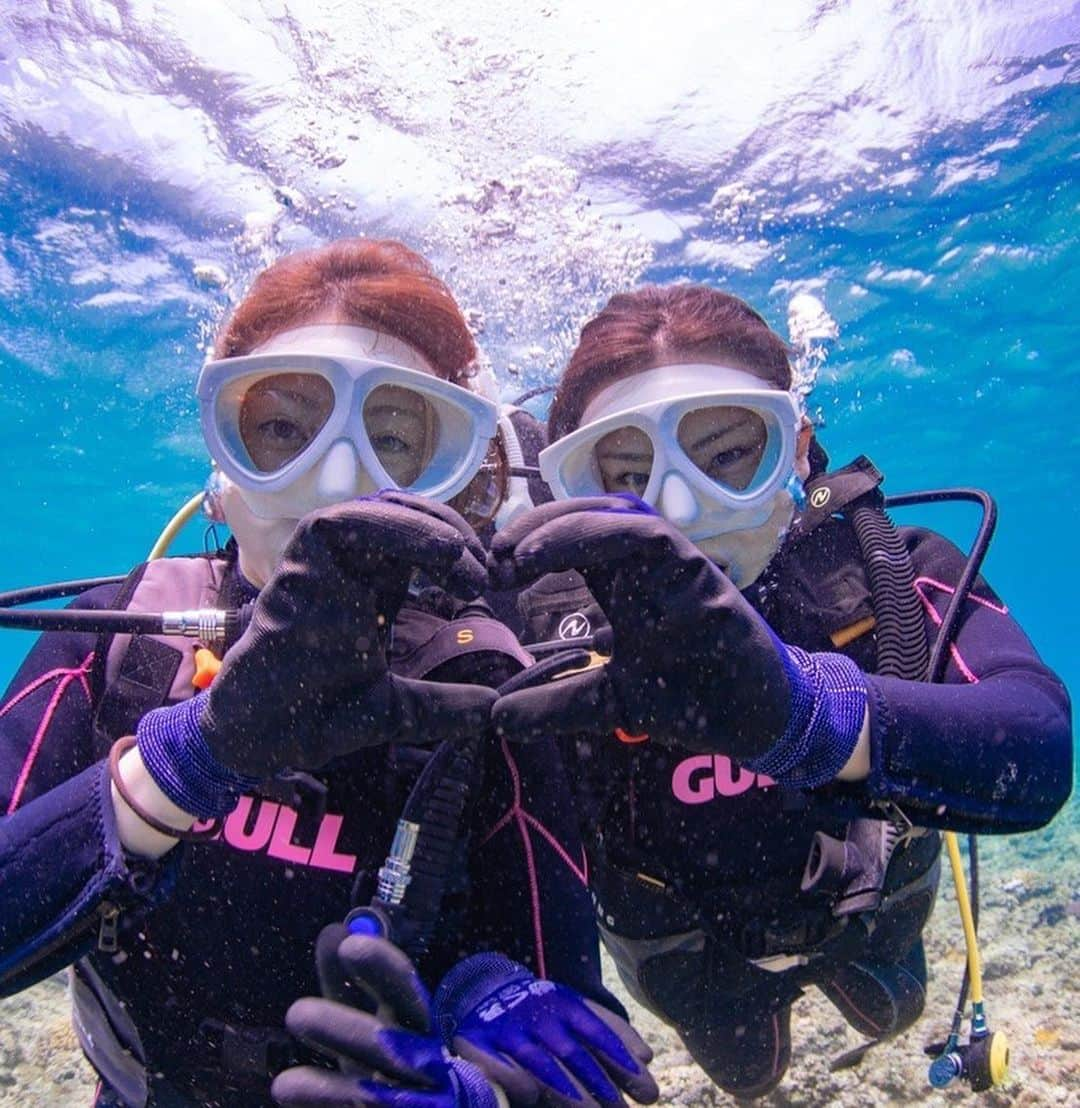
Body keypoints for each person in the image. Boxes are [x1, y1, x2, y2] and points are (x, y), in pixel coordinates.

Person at [0, 239, 657, 1108]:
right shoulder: (116, 650)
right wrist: (182, 765)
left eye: (393, 439)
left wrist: (489, 1042)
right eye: (280, 429)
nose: (337, 486)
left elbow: (582, 1031)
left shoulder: (484, 696)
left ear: (456, 482)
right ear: (221, 476)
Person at [485, 284, 1073, 1098]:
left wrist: (811, 716)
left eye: (729, 453)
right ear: (568, 489)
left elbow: (1038, 747)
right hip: (689, 953)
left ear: (797, 450)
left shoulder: (884, 574)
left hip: (874, 904)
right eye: (624, 474)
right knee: (748, 1078)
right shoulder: (543, 629)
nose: (680, 512)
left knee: (893, 1011)